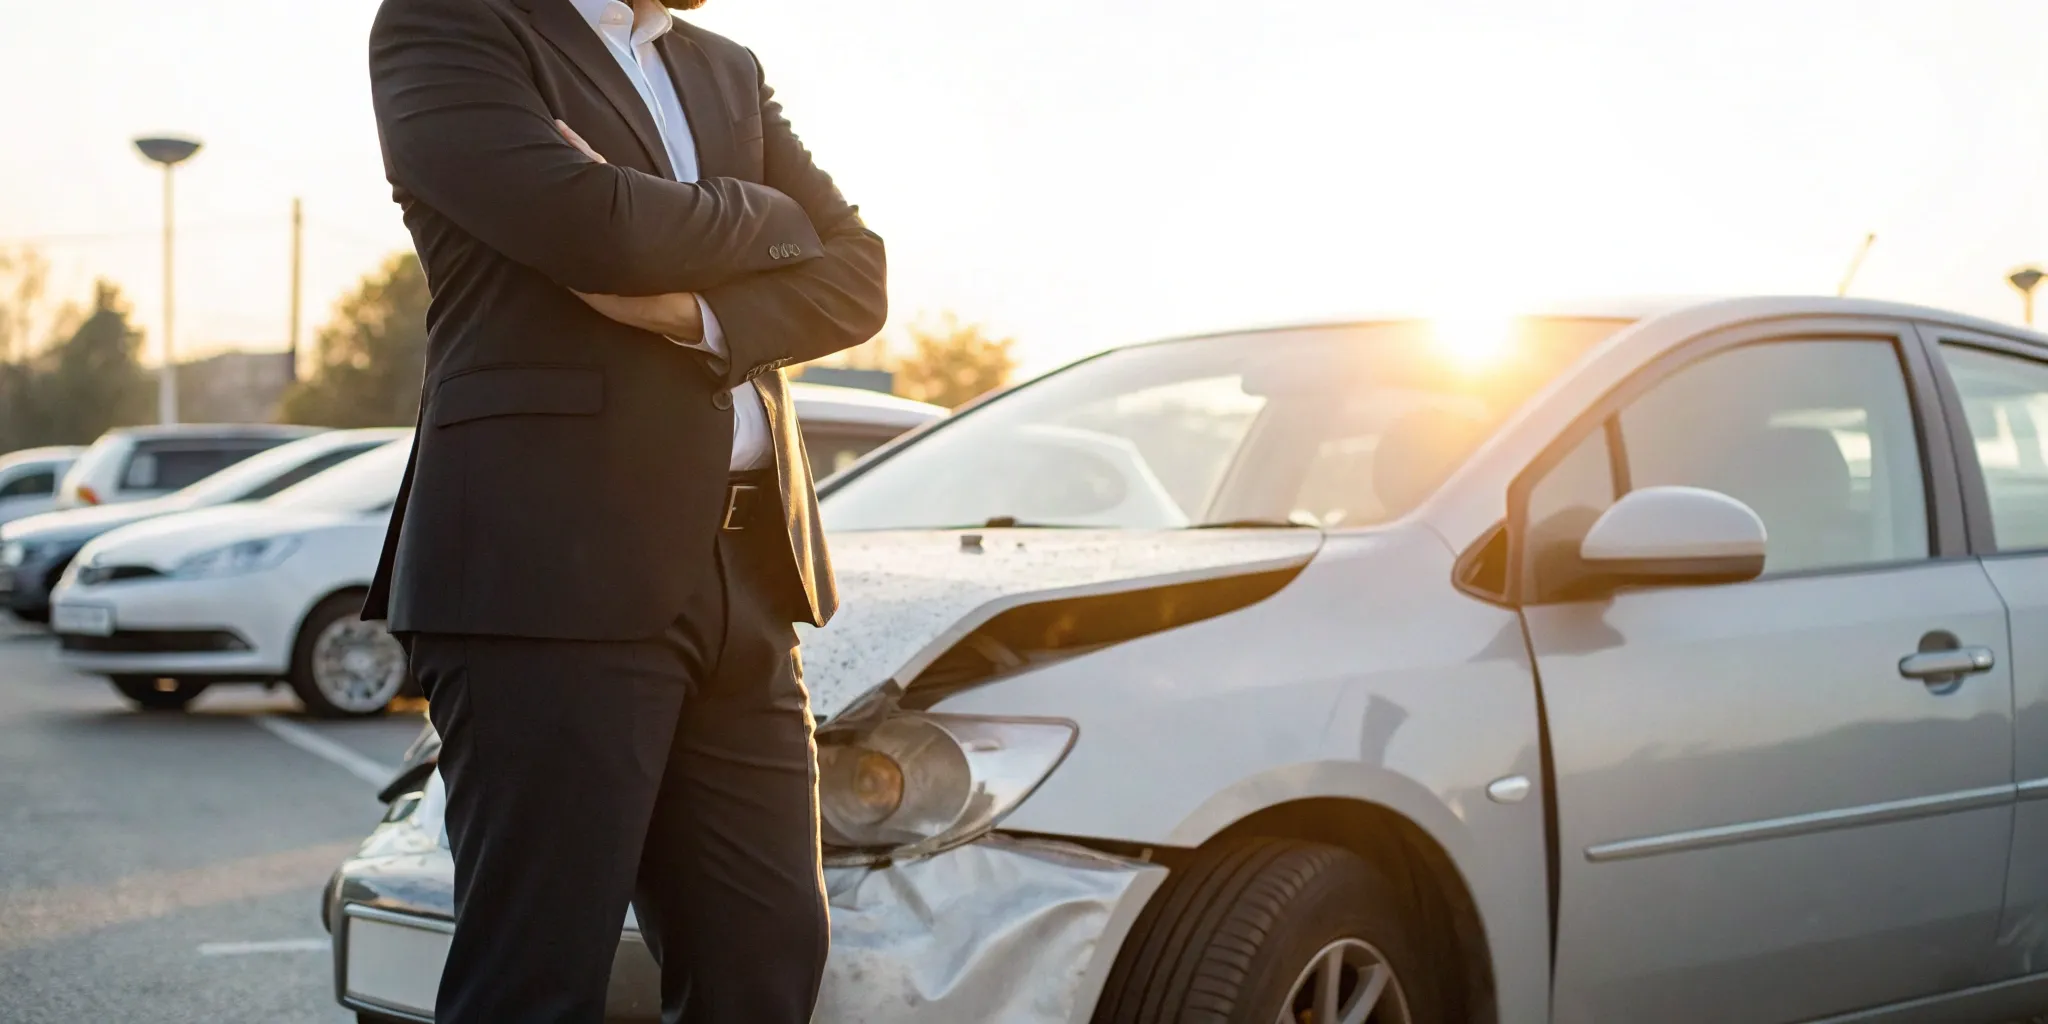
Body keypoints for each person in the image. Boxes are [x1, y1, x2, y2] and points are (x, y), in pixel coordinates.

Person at [363, 0, 886, 1019]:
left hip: (749, 575)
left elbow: (859, 277)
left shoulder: (724, 66)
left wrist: (698, 308)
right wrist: (765, 218)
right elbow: (594, 233)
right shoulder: (449, 25)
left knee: (765, 966)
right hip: (548, 571)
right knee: (537, 977)